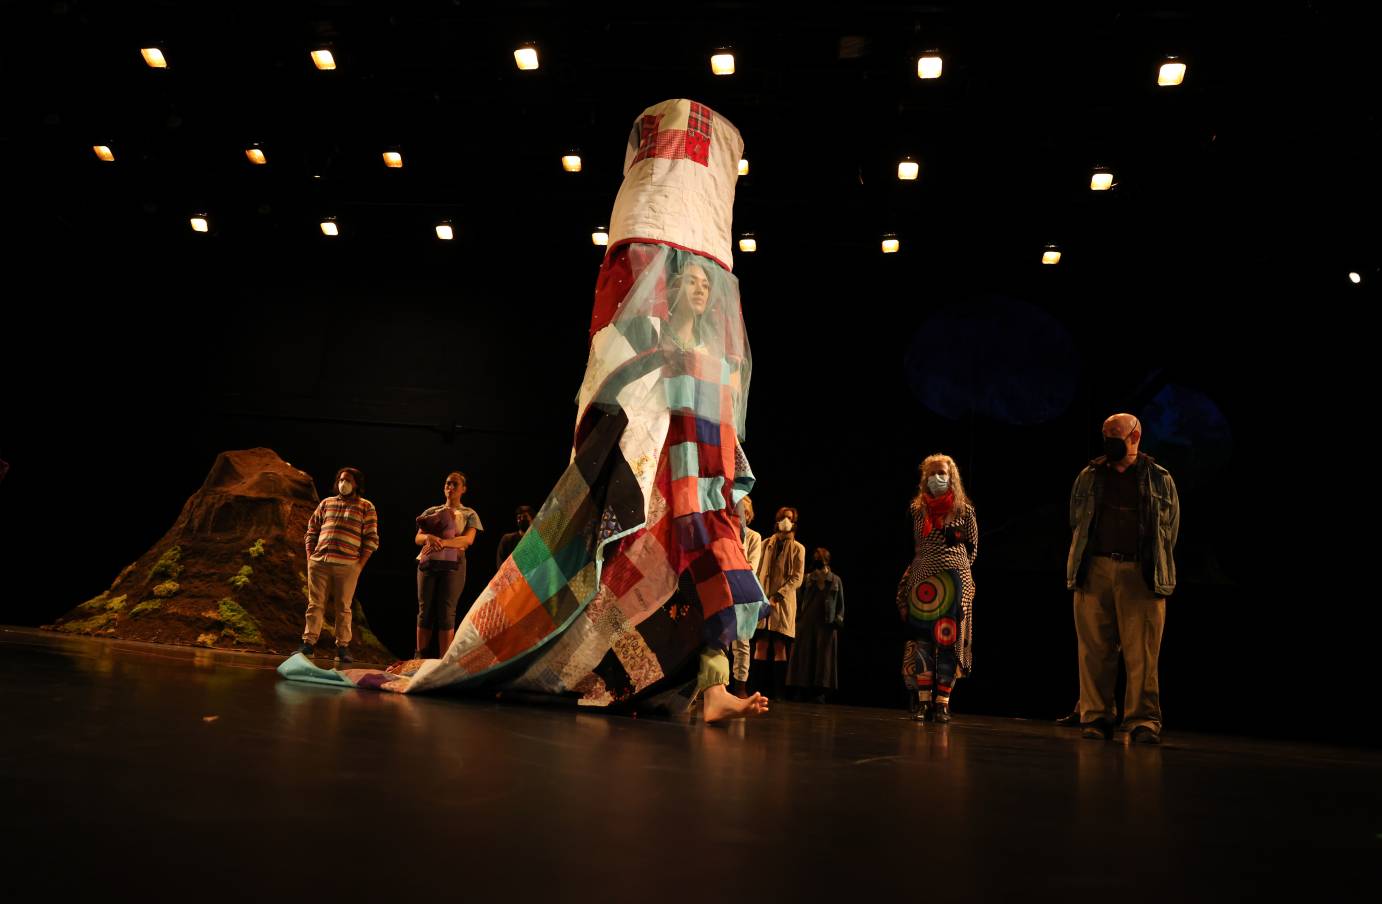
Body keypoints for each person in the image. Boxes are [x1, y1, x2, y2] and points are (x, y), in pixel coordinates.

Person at [1067, 413, 1179, 744]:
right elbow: (1076, 520)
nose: (1109, 441)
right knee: (1095, 649)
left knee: (1142, 652)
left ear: (1135, 436)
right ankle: (1097, 716)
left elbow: (1169, 530)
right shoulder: (1089, 476)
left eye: (1115, 434)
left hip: (1139, 572)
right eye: (1105, 435)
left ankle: (1143, 719)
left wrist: (1151, 565)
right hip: (1096, 569)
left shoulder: (1159, 478)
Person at [897, 454, 977, 723]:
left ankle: (942, 702)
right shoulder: (916, 510)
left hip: (954, 582)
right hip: (923, 583)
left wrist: (957, 571)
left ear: (951, 475)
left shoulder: (964, 510)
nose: (937, 478)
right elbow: (912, 547)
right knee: (922, 642)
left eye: (941, 472)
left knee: (947, 641)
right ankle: (922, 702)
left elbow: (973, 549)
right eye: (931, 473)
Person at [299, 467, 379, 662]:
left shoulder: (366, 506)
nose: (344, 483)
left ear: (357, 484)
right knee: (315, 604)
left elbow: (371, 539)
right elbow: (311, 529)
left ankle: (342, 647)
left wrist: (359, 565)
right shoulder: (327, 503)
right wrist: (310, 556)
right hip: (320, 562)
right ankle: (308, 644)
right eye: (342, 479)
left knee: (343, 607)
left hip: (347, 565)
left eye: (349, 480)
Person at [414, 471, 483, 659]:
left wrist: (444, 543)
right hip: (429, 562)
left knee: (446, 611)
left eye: (454, 484)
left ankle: (444, 661)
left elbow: (467, 540)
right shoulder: (432, 511)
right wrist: (428, 537)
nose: (450, 487)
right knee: (424, 609)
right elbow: (418, 537)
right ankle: (420, 656)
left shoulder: (469, 514)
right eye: (447, 484)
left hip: (454, 565)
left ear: (463, 489)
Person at [754, 506, 805, 700]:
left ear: (794, 523)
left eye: (789, 518)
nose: (786, 521)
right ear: (777, 521)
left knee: (779, 647)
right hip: (763, 602)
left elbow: (796, 578)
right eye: (783, 517)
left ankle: (778, 694)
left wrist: (777, 596)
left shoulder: (799, 548)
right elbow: (757, 572)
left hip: (781, 604)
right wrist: (761, 596)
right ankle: (756, 690)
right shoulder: (766, 543)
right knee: (760, 644)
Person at [787, 546, 843, 702]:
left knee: (823, 658)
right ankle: (800, 688)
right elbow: (797, 600)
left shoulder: (835, 580)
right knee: (803, 655)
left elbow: (840, 604)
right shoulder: (807, 579)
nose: (819, 562)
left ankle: (820, 691)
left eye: (822, 559)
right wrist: (796, 618)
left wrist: (837, 620)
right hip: (807, 621)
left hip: (826, 624)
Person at [730, 495, 763, 697]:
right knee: (718, 641)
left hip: (744, 592)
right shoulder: (725, 534)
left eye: (744, 511)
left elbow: (752, 565)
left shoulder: (753, 537)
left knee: (741, 641)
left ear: (749, 516)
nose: (740, 514)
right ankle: (714, 686)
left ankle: (740, 687)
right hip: (724, 589)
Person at [496, 505, 533, 569]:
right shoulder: (507, 539)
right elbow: (500, 563)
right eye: (519, 517)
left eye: (525, 516)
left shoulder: (537, 539)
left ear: (532, 519)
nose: (521, 519)